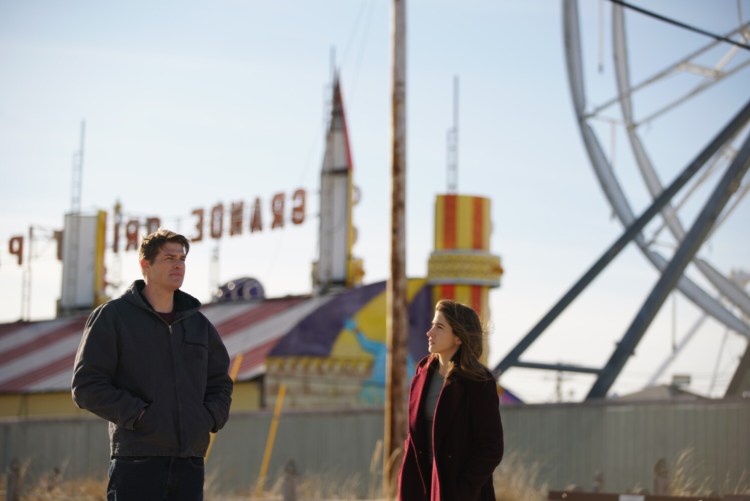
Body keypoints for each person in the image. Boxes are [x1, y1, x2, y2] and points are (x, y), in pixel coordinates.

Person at [72, 228, 233, 501]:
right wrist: (139, 416)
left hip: (189, 461)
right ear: (145, 264)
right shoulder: (113, 317)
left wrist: (207, 419)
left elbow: (219, 382)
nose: (178, 264)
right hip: (137, 460)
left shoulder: (198, 325)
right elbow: (87, 386)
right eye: (169, 258)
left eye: (182, 258)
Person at [398, 299, 503, 501]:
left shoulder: (479, 381)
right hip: (420, 488)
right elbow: (413, 438)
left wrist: (464, 489)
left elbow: (491, 447)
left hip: (459, 493)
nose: (430, 332)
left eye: (439, 327)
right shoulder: (422, 373)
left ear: (458, 337)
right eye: (431, 325)